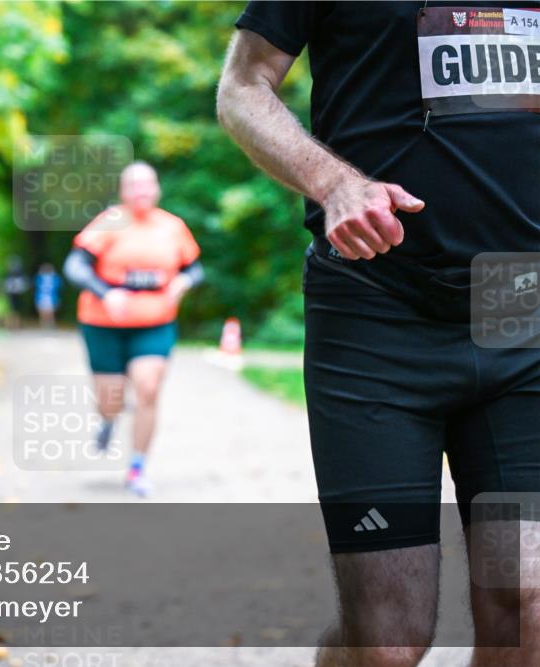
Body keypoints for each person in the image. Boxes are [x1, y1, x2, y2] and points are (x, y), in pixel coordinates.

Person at [217, 3, 539, 667]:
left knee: (528, 603)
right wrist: (333, 182)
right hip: (375, 310)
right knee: (388, 638)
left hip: (521, 310)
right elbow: (243, 87)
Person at [63, 161, 204, 497]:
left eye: (147, 184)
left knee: (148, 388)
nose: (141, 191)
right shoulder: (110, 222)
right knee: (109, 400)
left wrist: (184, 280)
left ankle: (137, 466)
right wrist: (106, 292)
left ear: (157, 188)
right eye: (133, 185)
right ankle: (108, 420)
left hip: (155, 323)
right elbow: (75, 265)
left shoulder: (173, 227)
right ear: (123, 191)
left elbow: (196, 268)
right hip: (104, 324)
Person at [2, 256, 30, 329]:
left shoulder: (20, 274)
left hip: (18, 294)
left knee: (15, 310)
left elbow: (26, 284)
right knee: (11, 310)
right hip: (11, 294)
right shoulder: (8, 275)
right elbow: (4, 285)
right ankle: (11, 325)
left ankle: (15, 325)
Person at [34, 262, 62, 329]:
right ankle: (49, 324)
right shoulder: (54, 277)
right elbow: (59, 284)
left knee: (44, 311)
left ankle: (44, 324)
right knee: (49, 311)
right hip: (50, 297)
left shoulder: (40, 278)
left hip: (43, 296)